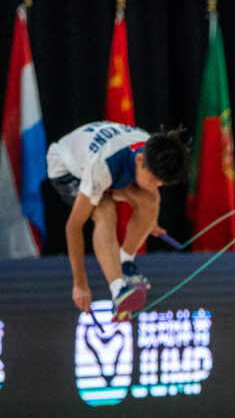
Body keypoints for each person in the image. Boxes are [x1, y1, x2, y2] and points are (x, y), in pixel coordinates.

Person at [48, 122, 189, 321]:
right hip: (68, 168)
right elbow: (73, 226)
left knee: (151, 198)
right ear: (139, 160)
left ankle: (125, 263)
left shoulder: (151, 149)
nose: (156, 185)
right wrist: (79, 284)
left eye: (161, 182)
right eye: (154, 179)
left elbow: (148, 191)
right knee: (105, 211)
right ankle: (118, 291)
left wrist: (149, 222)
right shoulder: (103, 167)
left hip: (107, 160)